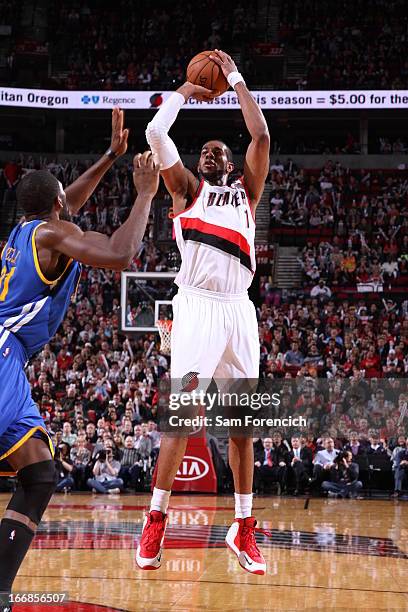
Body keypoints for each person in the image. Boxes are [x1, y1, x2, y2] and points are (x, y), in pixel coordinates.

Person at [0, 108, 160, 608]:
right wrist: (145, 194)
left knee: (40, 474)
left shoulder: (24, 234)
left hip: (8, 355)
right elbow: (120, 252)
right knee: (36, 475)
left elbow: (68, 204)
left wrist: (111, 156)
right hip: (3, 355)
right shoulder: (49, 235)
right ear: (56, 204)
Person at [140, 49, 270, 574]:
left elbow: (260, 136)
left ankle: (243, 529)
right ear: (197, 165)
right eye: (207, 151)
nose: (215, 154)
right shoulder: (186, 191)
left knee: (244, 425)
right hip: (196, 306)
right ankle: (155, 521)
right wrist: (186, 94)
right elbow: (154, 134)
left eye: (222, 151)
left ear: (233, 164)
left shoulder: (247, 194)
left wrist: (235, 77)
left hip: (239, 309)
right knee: (182, 419)